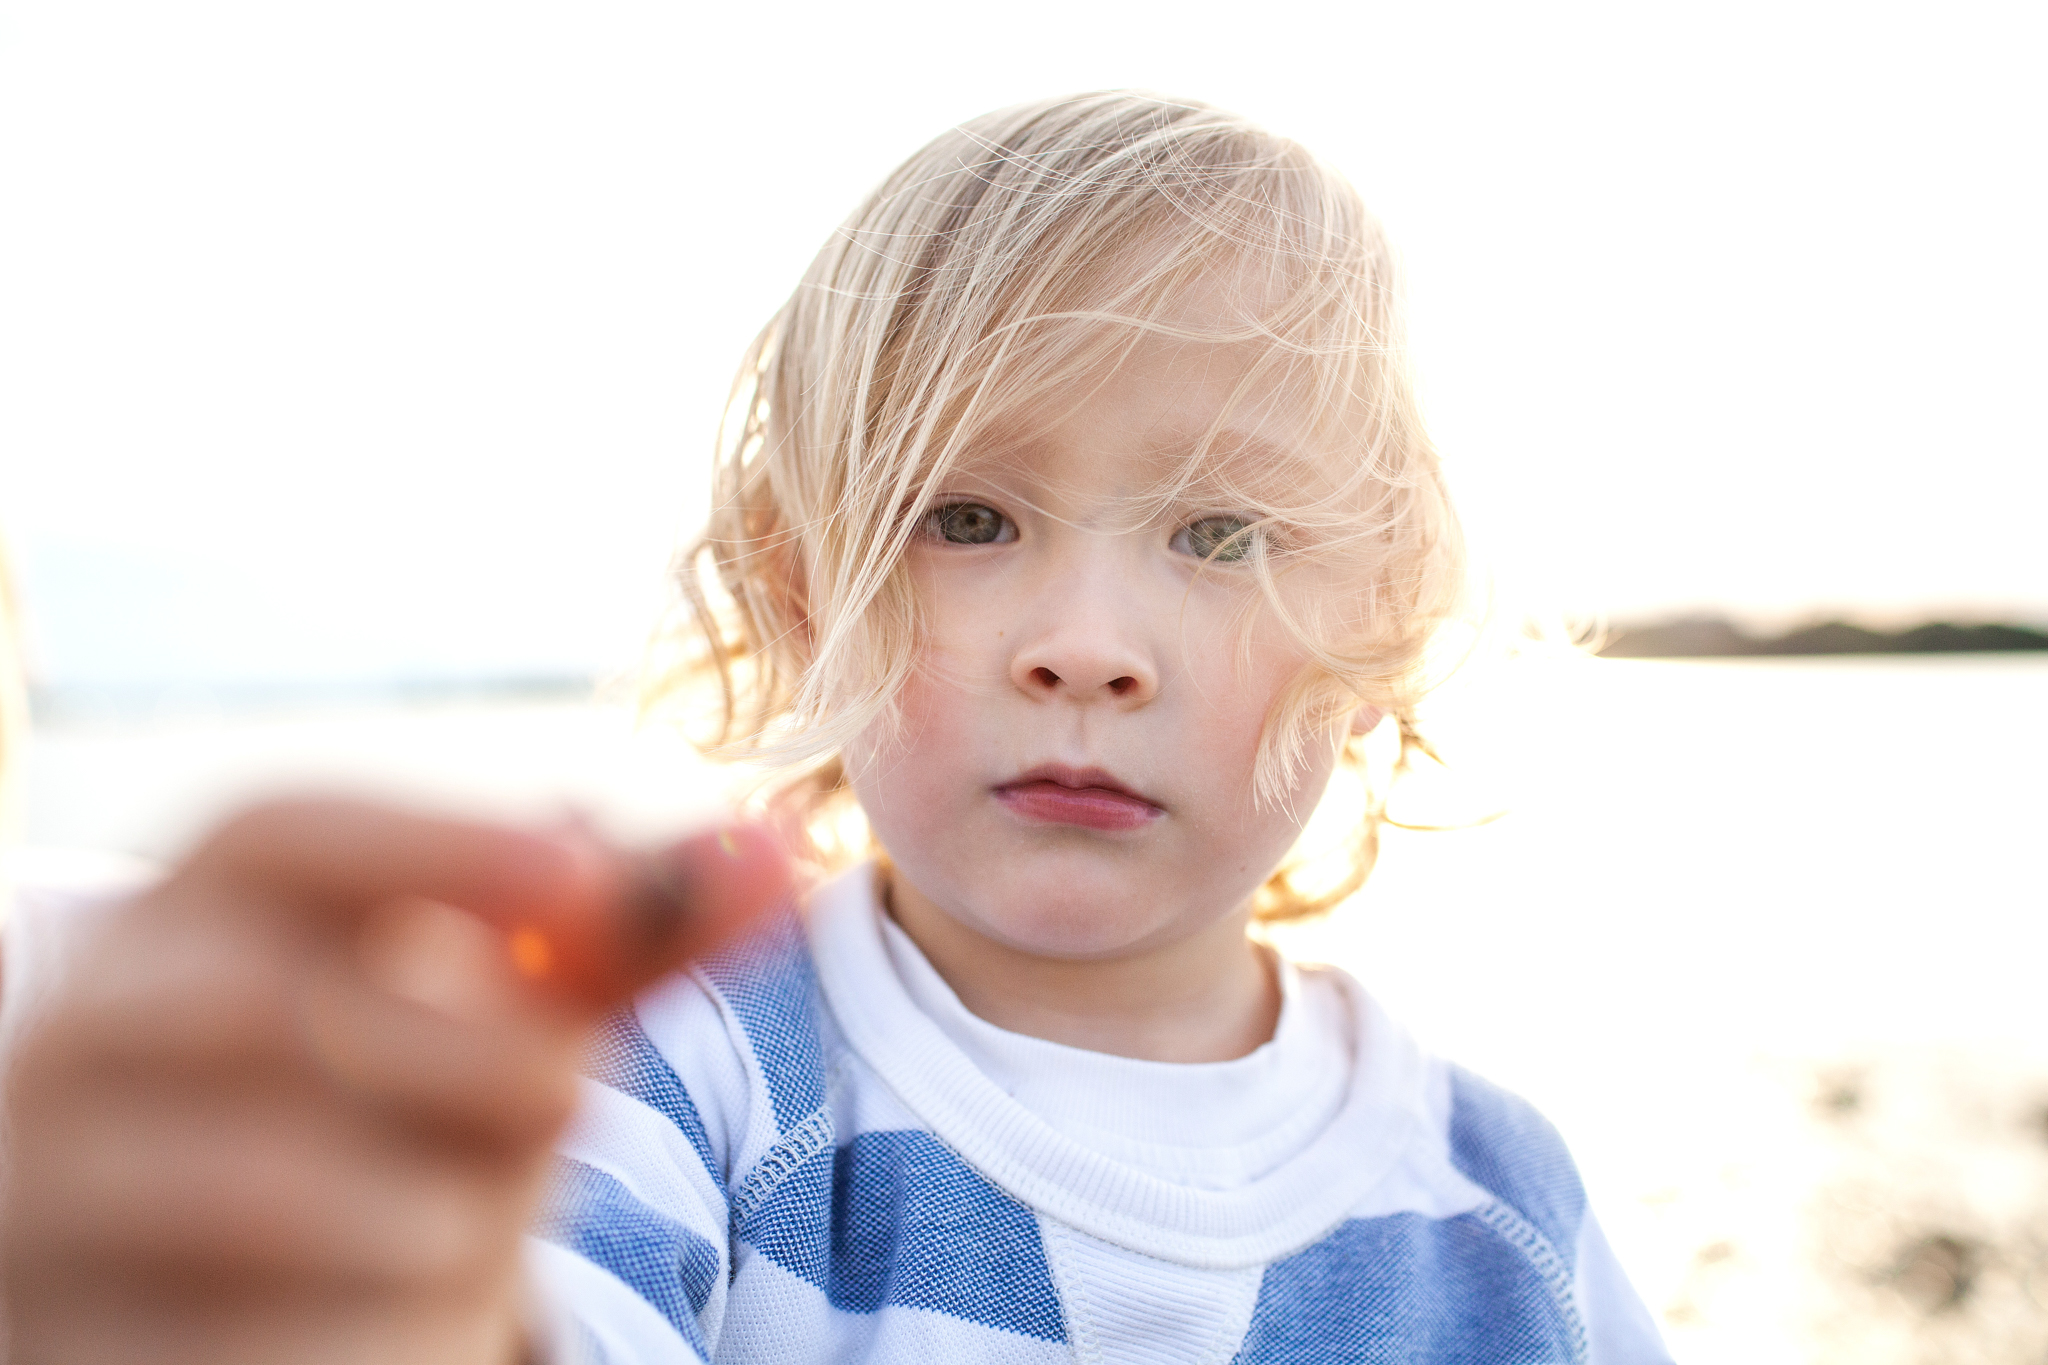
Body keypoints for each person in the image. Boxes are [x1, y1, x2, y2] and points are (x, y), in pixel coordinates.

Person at [1, 93, 1674, 1363]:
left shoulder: (1501, 1215)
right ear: (808, 596)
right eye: (966, 519)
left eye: (1220, 536)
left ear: (1384, 626)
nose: (1086, 649)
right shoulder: (706, 1069)